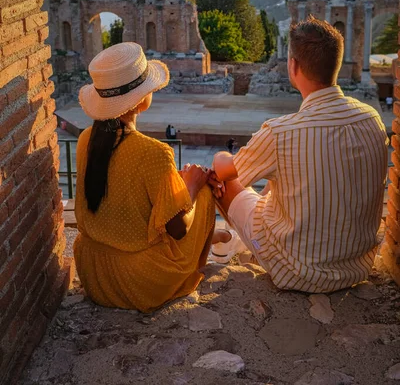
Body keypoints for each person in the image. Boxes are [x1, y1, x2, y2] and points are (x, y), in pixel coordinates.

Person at [211, 17, 388, 293]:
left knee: (222, 182)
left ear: (293, 66)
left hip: (296, 270)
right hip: (357, 266)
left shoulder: (280, 132)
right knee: (280, 177)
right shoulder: (372, 118)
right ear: (337, 65)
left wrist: (220, 156)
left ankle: (240, 250)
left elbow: (226, 172)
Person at [74, 42, 216, 313]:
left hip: (94, 273)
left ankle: (211, 237)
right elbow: (178, 228)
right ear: (141, 99)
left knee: (175, 189)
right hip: (138, 282)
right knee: (205, 192)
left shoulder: (85, 140)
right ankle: (195, 269)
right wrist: (193, 186)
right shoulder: (154, 153)